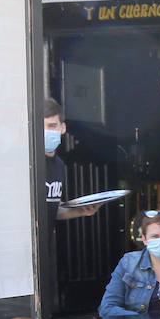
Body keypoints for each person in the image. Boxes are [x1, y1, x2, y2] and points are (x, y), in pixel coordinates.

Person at [43, 98, 98, 293]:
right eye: (42, 126)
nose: (47, 132)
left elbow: (52, 209)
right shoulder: (28, 163)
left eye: (52, 125)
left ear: (63, 128)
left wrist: (82, 211)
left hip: (46, 250)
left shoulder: (59, 165)